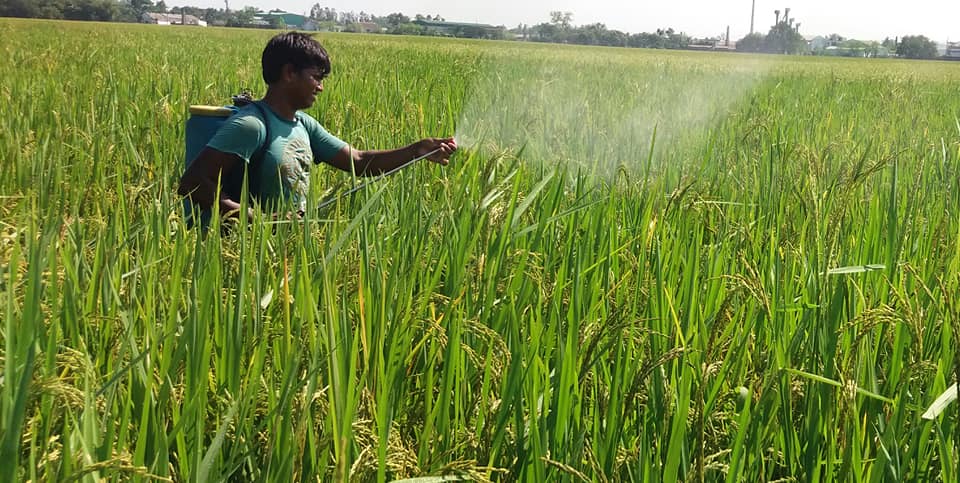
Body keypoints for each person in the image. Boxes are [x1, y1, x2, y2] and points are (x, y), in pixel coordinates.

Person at [178, 31, 457, 221]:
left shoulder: (304, 125)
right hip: (242, 254)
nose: (321, 87)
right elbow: (192, 183)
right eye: (316, 77)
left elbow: (359, 162)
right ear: (289, 73)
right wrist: (259, 221)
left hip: (285, 250)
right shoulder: (251, 126)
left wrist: (417, 150)